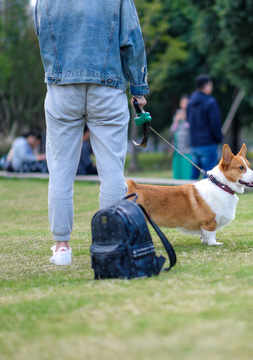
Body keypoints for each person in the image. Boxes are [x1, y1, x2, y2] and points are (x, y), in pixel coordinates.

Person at [35, 0, 149, 265]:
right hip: (107, 86)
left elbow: (42, 33)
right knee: (112, 171)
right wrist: (139, 89)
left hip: (62, 87)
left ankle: (61, 247)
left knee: (61, 170)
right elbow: (132, 36)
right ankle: (111, 244)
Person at [186, 75, 223, 179]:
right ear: (206, 85)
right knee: (209, 175)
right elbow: (215, 123)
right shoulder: (210, 102)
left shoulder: (190, 103)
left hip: (194, 143)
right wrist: (218, 138)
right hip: (208, 143)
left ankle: (187, 195)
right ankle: (206, 196)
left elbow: (188, 120)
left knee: (193, 176)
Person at [170, 95, 193, 179]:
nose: (185, 105)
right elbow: (172, 130)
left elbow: (191, 129)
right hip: (177, 149)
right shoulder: (177, 115)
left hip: (188, 149)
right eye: (183, 103)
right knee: (177, 172)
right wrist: (176, 120)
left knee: (187, 172)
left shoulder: (191, 115)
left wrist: (185, 119)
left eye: (187, 103)